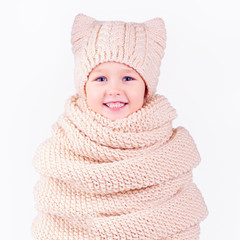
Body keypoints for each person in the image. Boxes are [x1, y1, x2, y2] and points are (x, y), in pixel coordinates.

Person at [31, 13, 209, 239]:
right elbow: (53, 215)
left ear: (146, 87)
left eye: (128, 78)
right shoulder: (64, 149)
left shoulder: (169, 150)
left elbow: (180, 211)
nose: (114, 89)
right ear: (83, 87)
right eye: (101, 79)